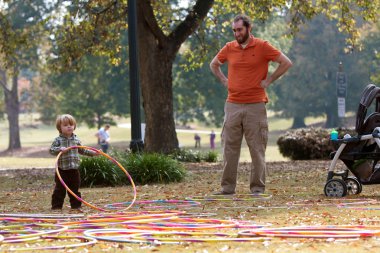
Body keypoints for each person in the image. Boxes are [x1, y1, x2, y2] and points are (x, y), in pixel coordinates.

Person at [210, 14, 292, 195]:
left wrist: (269, 79)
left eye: (239, 29)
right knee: (229, 149)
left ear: (249, 28)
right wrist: (225, 81)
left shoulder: (262, 46)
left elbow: (286, 62)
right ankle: (227, 188)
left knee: (257, 149)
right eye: (234, 30)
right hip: (232, 104)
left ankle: (257, 188)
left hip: (255, 105)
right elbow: (214, 64)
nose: (236, 33)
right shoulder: (229, 48)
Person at [49, 114, 97, 211]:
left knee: (75, 189)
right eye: (66, 125)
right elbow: (51, 150)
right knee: (59, 190)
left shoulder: (76, 140)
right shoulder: (58, 140)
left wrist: (93, 153)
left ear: (74, 126)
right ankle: (56, 207)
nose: (69, 126)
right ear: (59, 128)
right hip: (62, 170)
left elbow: (83, 150)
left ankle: (76, 206)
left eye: (71, 124)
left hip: (74, 170)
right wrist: (59, 149)